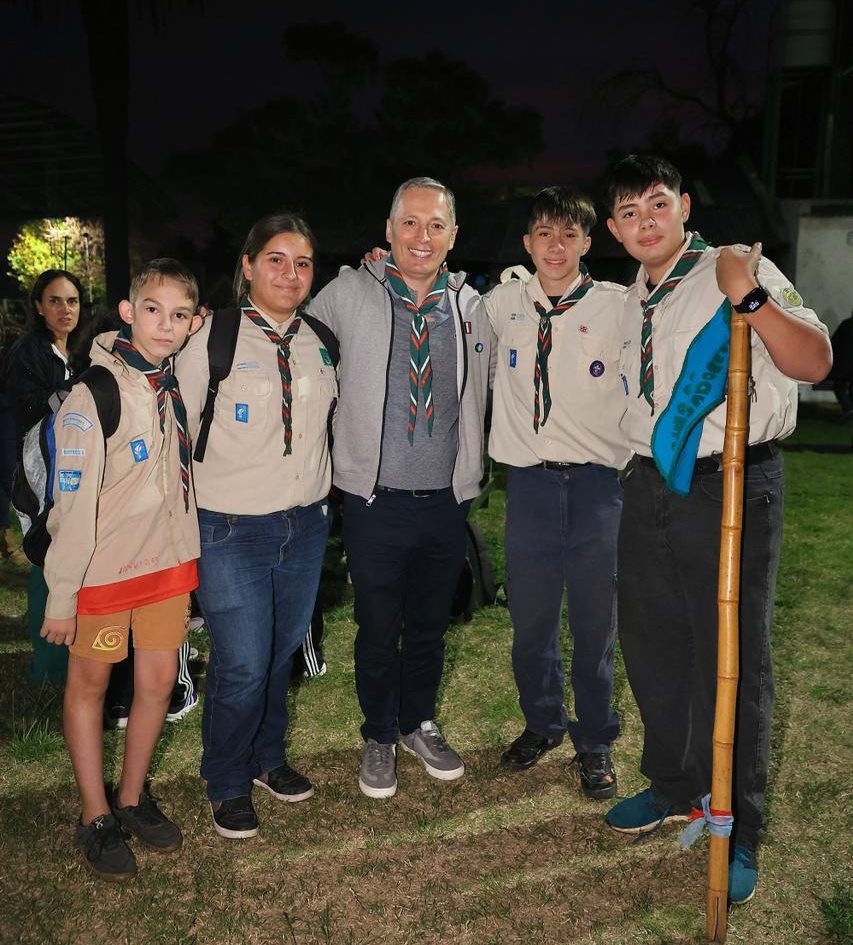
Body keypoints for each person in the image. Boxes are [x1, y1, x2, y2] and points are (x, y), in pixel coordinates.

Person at [602, 154, 832, 904]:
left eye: (657, 204)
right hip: (648, 485)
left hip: (731, 481)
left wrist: (750, 300)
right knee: (653, 645)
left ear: (684, 206)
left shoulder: (733, 267)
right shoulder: (630, 293)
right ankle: (671, 783)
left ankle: (737, 825)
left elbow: (814, 358)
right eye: (629, 212)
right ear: (613, 228)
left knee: (733, 660)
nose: (645, 222)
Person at [308, 177, 494, 799]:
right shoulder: (348, 293)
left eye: (435, 225)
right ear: (387, 231)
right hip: (373, 499)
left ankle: (417, 722)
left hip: (445, 499)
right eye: (409, 223)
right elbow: (285, 338)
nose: (422, 236)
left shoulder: (474, 307)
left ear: (453, 237)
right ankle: (379, 733)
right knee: (377, 623)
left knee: (429, 625)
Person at [40, 258, 202, 882]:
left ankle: (132, 797)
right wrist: (62, 593)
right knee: (91, 690)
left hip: (166, 570)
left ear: (191, 324)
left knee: (159, 685)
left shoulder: (171, 381)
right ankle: (94, 813)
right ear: (129, 313)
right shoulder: (93, 396)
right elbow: (71, 507)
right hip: (104, 576)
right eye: (153, 311)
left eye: (180, 314)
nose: (166, 325)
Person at [175, 213, 336, 840]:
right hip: (230, 529)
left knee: (278, 653)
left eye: (301, 263)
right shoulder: (210, 338)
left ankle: (268, 758)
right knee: (241, 661)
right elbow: (175, 432)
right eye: (276, 259)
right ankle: (225, 778)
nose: (290, 274)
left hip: (305, 524)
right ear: (247, 266)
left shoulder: (320, 338)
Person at [484, 187, 629, 798]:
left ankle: (595, 741)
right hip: (531, 486)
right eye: (544, 233)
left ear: (588, 243)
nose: (555, 245)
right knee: (532, 621)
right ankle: (543, 722)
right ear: (526, 242)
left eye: (569, 234)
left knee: (596, 626)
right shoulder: (500, 304)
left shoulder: (621, 306)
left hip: (598, 487)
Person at [7, 269, 86, 684]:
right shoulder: (28, 352)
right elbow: (26, 408)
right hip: (37, 474)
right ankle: (49, 667)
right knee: (46, 558)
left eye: (71, 301)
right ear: (38, 307)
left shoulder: (70, 351)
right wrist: (75, 394)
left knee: (61, 556)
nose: (64, 309)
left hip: (62, 468)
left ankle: (62, 656)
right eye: (55, 301)